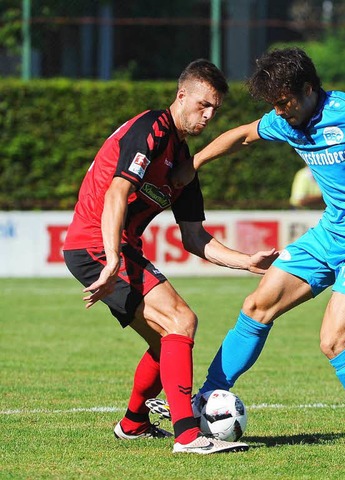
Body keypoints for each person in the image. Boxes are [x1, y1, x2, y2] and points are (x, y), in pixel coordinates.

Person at [153, 47, 345, 454]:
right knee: (256, 306)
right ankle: (206, 397)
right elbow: (242, 135)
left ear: (307, 90)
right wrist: (194, 163)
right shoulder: (285, 121)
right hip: (330, 233)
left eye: (284, 104)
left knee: (334, 341)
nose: (280, 113)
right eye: (274, 106)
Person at [62, 59, 278, 455]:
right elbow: (115, 193)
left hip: (113, 247)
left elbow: (196, 238)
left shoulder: (183, 163)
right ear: (182, 96)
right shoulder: (153, 128)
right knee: (182, 320)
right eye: (203, 105)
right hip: (96, 243)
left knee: (167, 346)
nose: (208, 115)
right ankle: (188, 435)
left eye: (215, 109)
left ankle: (134, 423)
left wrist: (247, 262)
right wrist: (111, 259)